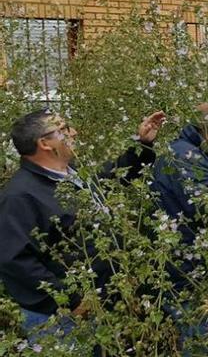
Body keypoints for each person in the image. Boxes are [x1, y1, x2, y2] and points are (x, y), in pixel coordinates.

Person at [0, 108, 165, 342]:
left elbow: (111, 176)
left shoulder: (69, 175)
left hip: (99, 303)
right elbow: (14, 261)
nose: (74, 133)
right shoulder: (21, 196)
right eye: (65, 129)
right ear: (45, 143)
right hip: (62, 319)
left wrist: (142, 145)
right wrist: (70, 301)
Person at [150, 102, 208, 352]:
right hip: (191, 276)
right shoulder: (186, 157)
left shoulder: (196, 152)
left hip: (197, 270)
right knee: (203, 343)